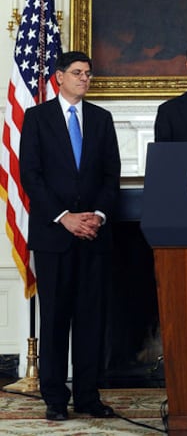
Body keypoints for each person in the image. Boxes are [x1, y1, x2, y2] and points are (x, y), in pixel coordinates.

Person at [19, 51, 121, 421]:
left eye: (89, 74)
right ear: (59, 77)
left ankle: (89, 397)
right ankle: (55, 399)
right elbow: (30, 175)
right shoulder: (37, 118)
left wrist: (97, 215)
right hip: (54, 236)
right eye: (77, 73)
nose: (85, 79)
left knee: (91, 319)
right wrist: (64, 218)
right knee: (56, 319)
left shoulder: (102, 119)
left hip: (94, 236)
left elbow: (112, 176)